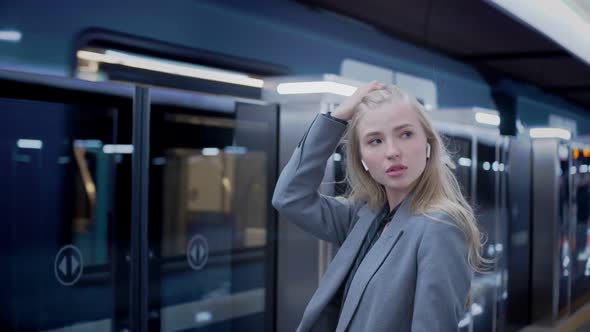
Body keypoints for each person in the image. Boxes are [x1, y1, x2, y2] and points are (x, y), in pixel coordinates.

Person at [272, 81, 487, 331]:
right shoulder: (363, 216)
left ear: (428, 144)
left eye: (405, 134)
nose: (393, 151)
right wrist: (336, 118)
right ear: (361, 158)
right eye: (375, 141)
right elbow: (289, 197)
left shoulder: (440, 226)